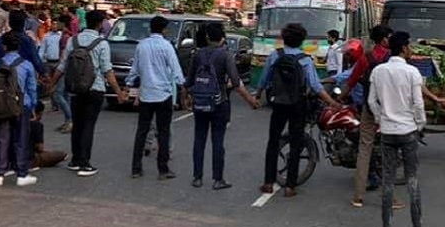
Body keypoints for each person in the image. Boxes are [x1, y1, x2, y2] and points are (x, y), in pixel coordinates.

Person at [256, 23, 340, 197]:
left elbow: (264, 79)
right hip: (298, 104)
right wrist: (332, 102)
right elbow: (316, 86)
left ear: (284, 38)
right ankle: (290, 186)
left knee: (273, 141)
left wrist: (257, 94)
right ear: (302, 40)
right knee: (296, 143)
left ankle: (268, 182)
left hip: (278, 103)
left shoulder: (275, 55)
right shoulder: (305, 60)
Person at [183, 22, 259, 189]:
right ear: (223, 38)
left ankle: (197, 177)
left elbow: (188, 81)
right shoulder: (225, 56)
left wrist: (187, 98)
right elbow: (236, 82)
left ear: (208, 37)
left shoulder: (198, 55)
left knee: (199, 139)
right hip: (220, 103)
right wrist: (251, 101)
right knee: (218, 141)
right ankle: (218, 179)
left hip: (200, 102)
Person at [51, 10, 125, 177]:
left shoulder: (72, 40)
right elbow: (107, 70)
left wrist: (52, 84)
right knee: (88, 125)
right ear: (99, 24)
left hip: (76, 88)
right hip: (95, 88)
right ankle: (85, 163)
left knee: (77, 123)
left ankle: (75, 160)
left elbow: (62, 66)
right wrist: (118, 91)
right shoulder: (102, 43)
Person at [368, 31, 425, 227]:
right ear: (403, 48)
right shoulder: (412, 73)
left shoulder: (379, 71)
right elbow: (418, 104)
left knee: (388, 180)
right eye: (409, 46)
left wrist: (379, 119)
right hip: (408, 130)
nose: (410, 49)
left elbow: (372, 101)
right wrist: (419, 124)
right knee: (412, 179)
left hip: (387, 131)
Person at [125, 15, 187, 181]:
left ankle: (136, 168)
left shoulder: (141, 46)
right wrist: (183, 86)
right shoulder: (167, 46)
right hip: (163, 94)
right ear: (164, 29)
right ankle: (163, 169)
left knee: (142, 131)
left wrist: (129, 84)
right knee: (164, 132)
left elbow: (135, 69)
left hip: (146, 94)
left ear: (150, 28)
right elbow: (176, 70)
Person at [344, 25, 394, 206]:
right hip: (390, 109)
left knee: (365, 149)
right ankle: (390, 198)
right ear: (384, 39)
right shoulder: (392, 59)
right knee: (390, 151)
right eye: (390, 36)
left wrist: (337, 99)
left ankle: (358, 196)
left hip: (369, 107)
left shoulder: (366, 59)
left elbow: (351, 81)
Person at [0, 31, 39, 187]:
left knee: (1, 139)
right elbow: (31, 89)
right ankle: (21, 174)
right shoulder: (26, 65)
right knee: (20, 139)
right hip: (21, 105)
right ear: (19, 47)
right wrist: (33, 106)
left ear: (4, 47)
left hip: (1, 105)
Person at [40, 18, 72, 133]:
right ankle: (67, 119)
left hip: (61, 67)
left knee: (59, 93)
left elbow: (64, 56)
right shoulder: (48, 36)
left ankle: (70, 119)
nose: (56, 25)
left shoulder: (65, 38)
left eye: (58, 23)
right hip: (54, 63)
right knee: (63, 93)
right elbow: (42, 51)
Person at [0, 10, 46, 77]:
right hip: (22, 76)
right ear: (24, 23)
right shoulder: (27, 41)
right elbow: (35, 60)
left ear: (9, 23)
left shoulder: (0, 39)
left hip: (2, 75)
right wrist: (44, 74)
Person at [29, 101, 67, 170]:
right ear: (40, 113)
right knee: (61, 154)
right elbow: (40, 147)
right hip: (31, 156)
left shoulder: (20, 120)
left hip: (14, 155)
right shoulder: (37, 125)